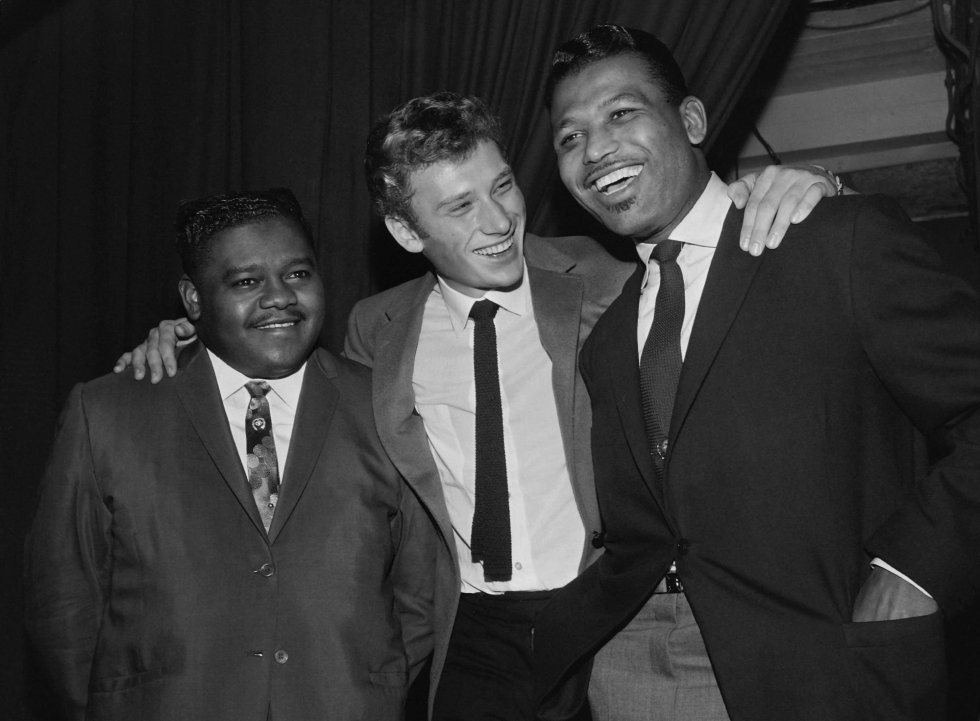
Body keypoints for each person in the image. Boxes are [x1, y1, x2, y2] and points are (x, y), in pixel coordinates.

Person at [113, 96, 836, 721]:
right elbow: (291, 386)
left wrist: (809, 189)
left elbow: (722, 268)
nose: (500, 221)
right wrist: (186, 337)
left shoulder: (609, 275)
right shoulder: (375, 329)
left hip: (609, 614)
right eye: (460, 206)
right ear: (404, 230)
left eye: (503, 186)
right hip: (473, 631)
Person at [533, 24, 980, 721]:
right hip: (631, 681)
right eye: (569, 137)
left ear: (690, 120)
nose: (595, 150)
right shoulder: (608, 340)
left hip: (820, 673)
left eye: (621, 113)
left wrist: (914, 569)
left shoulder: (834, 240)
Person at [24, 189, 437, 721]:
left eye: (297, 274)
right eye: (246, 282)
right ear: (193, 300)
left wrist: (373, 691)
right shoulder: (107, 413)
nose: (279, 297)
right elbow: (63, 603)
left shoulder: (383, 406)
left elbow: (420, 590)